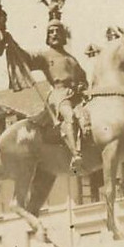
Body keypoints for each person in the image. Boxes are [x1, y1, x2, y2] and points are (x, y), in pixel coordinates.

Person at [25, 19, 89, 172]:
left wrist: (82, 86)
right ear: (47, 36)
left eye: (57, 31)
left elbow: (83, 78)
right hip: (59, 95)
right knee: (70, 116)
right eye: (51, 32)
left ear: (63, 35)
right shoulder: (45, 56)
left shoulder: (71, 59)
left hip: (77, 96)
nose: (54, 34)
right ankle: (76, 154)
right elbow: (27, 59)